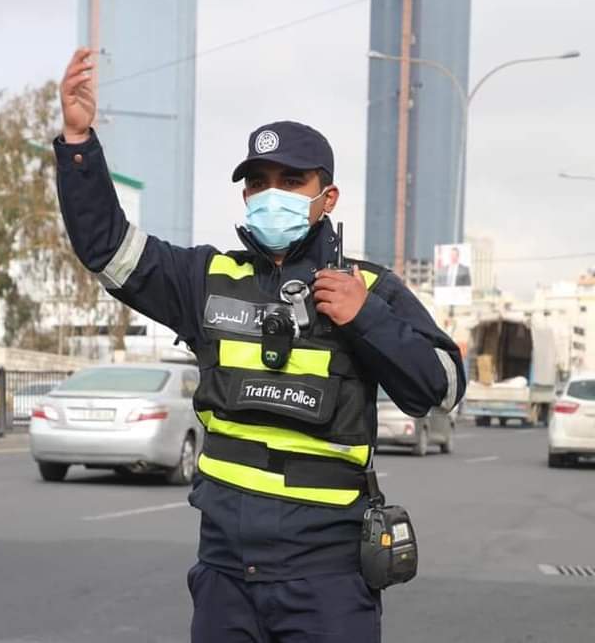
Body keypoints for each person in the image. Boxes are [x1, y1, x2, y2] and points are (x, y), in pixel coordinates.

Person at [54, 48, 466, 643]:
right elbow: (106, 249)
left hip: (327, 581)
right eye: (258, 182)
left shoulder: (369, 286)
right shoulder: (205, 279)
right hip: (226, 576)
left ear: (329, 197)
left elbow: (442, 388)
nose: (273, 193)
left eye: (292, 181)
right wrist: (77, 142)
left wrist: (366, 317)